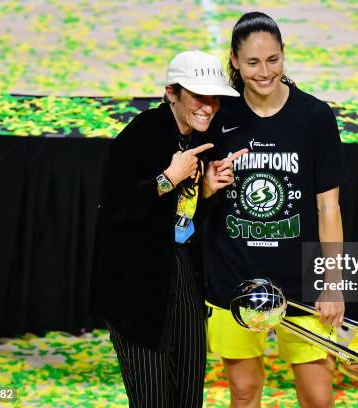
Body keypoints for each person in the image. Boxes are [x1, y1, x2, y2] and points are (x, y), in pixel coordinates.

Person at [202, 12, 345, 407]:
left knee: (318, 397)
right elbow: (196, 195)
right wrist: (208, 186)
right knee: (244, 391)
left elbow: (328, 206)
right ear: (234, 60)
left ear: (283, 55)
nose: (264, 72)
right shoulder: (218, 116)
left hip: (300, 283)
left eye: (272, 60)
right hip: (233, 278)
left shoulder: (314, 117)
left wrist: (332, 282)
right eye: (252, 62)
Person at [90, 50, 242, 407]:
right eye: (198, 95)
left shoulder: (204, 139)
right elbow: (113, 209)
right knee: (152, 398)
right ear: (171, 93)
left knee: (189, 393)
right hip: (136, 284)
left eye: (214, 97)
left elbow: (184, 218)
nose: (208, 106)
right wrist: (166, 179)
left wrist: (205, 192)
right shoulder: (140, 135)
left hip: (183, 270)